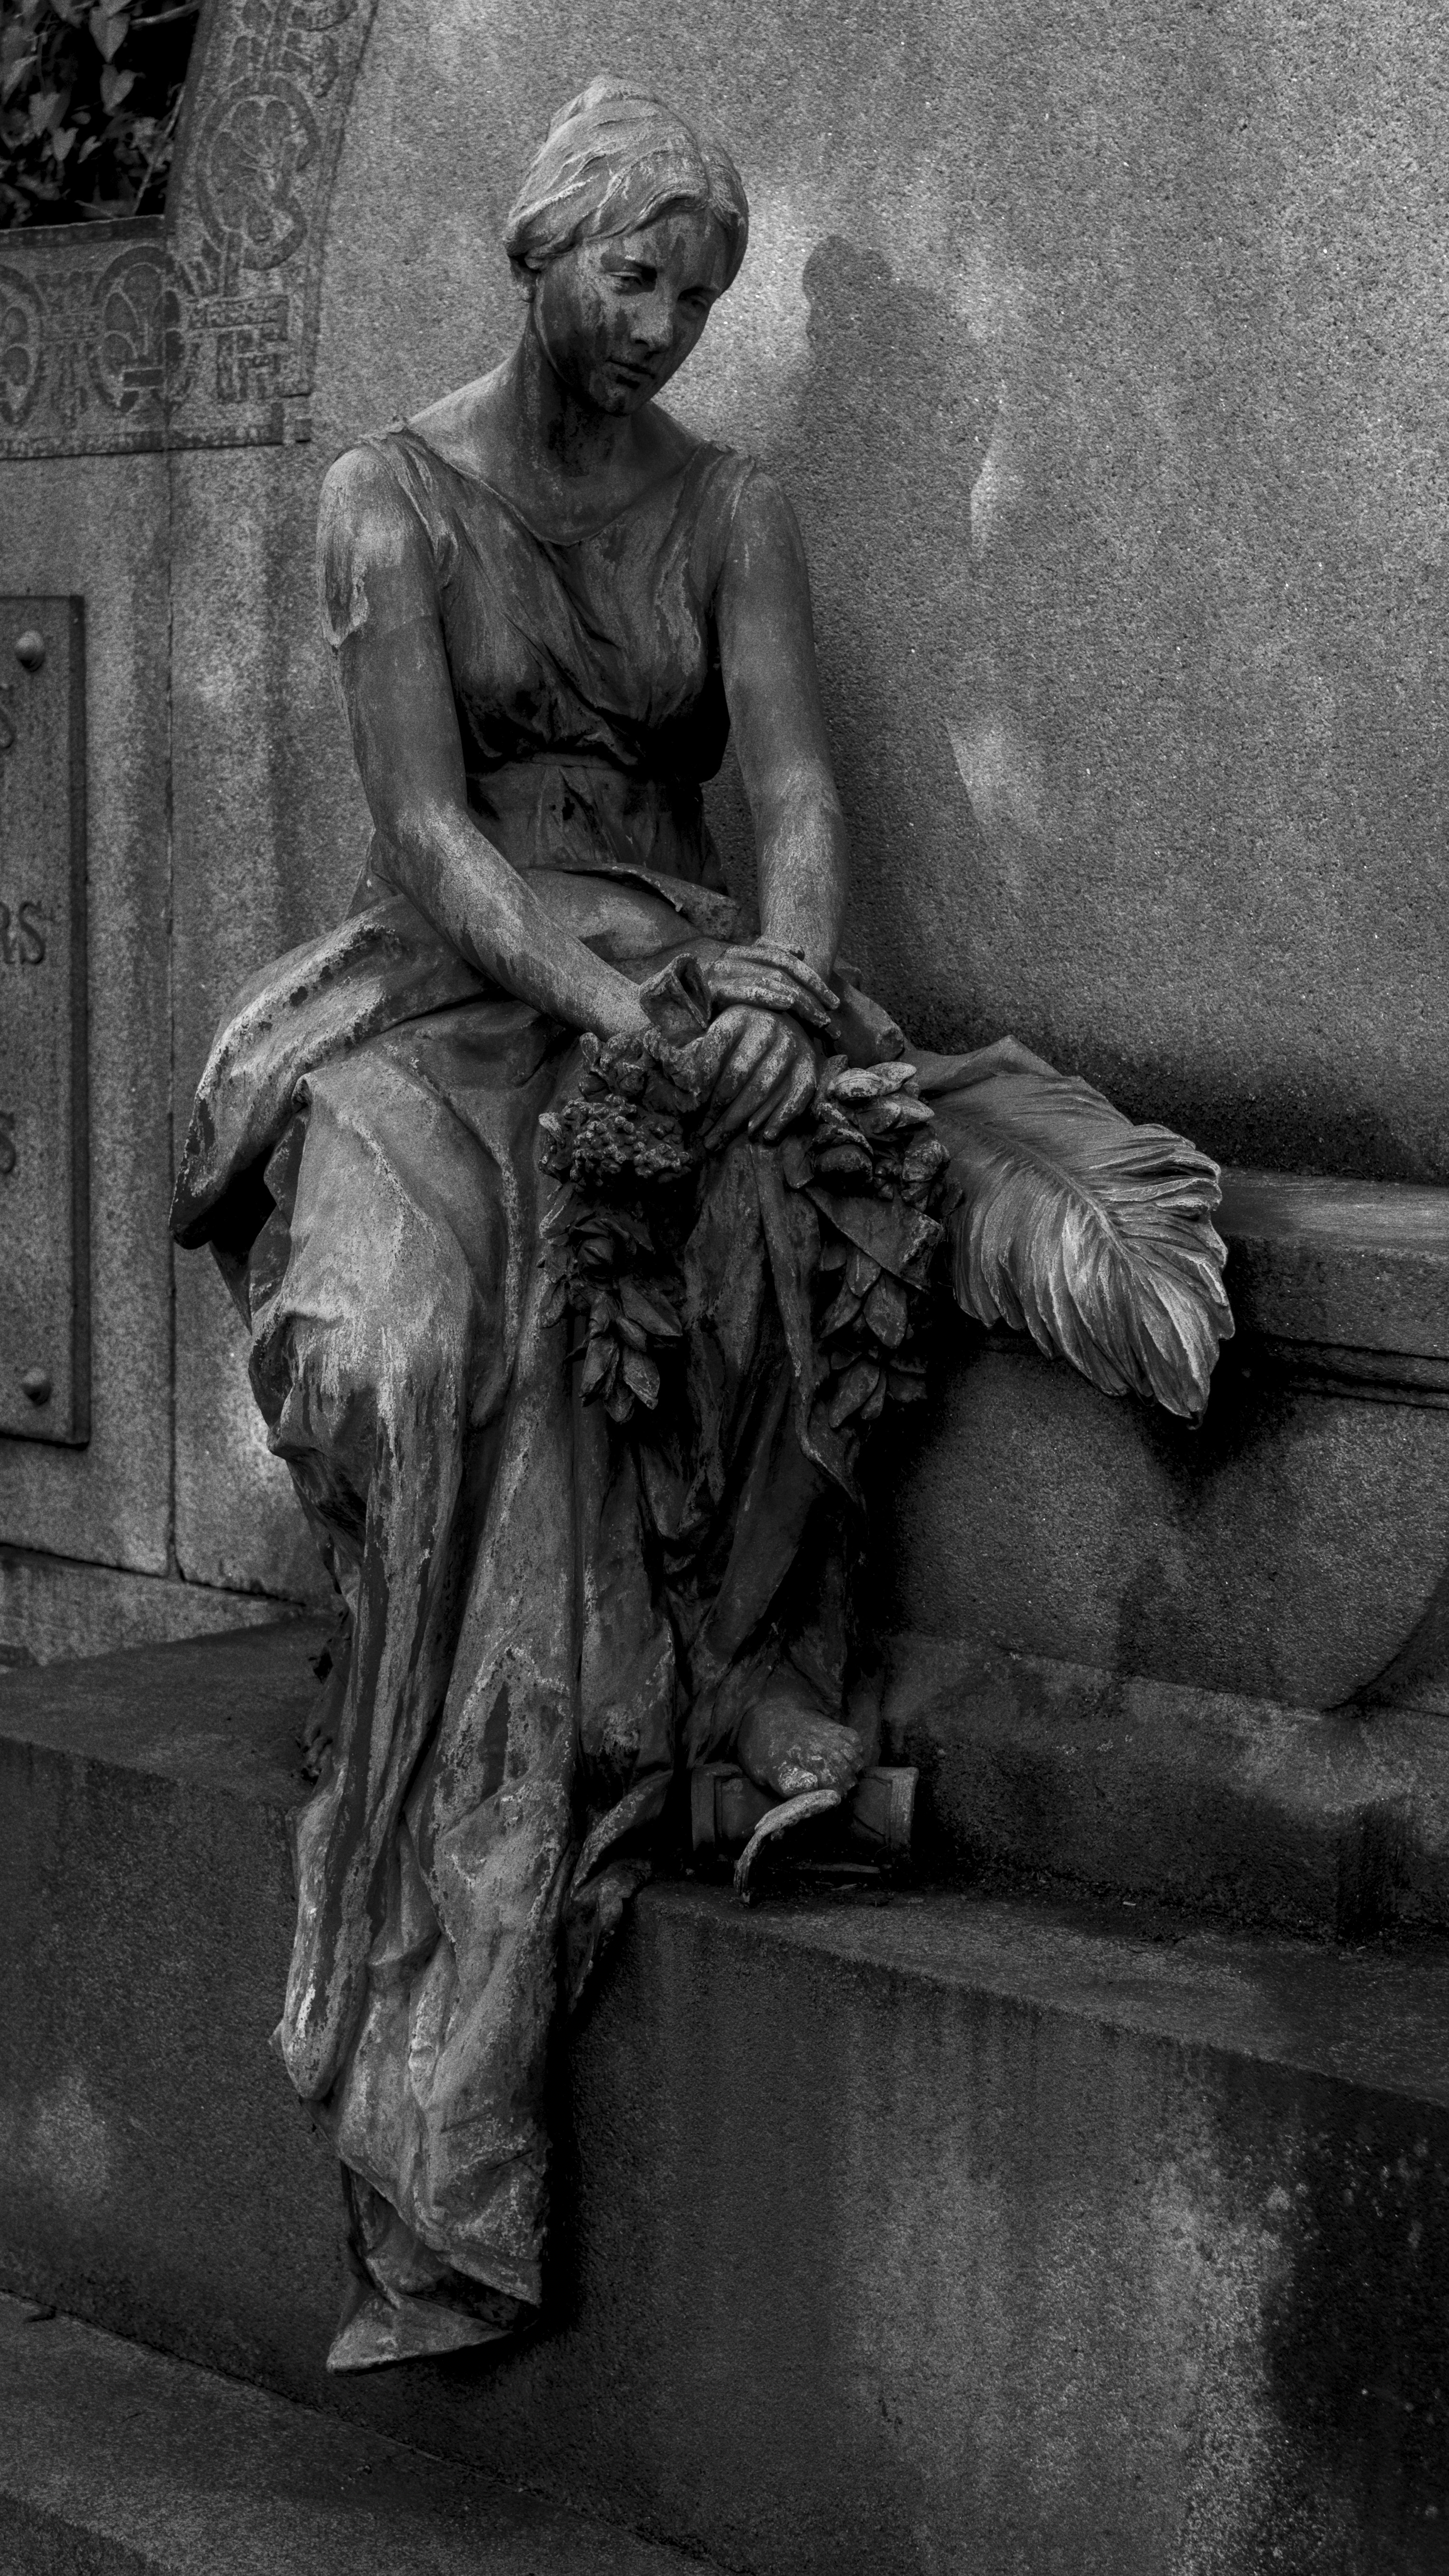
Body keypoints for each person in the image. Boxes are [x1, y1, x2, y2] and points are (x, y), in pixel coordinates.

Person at [172, 75, 914, 2371]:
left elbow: (789, 788)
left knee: (786, 1205)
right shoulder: (384, 499)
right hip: (457, 988)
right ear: (541, 248)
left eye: (701, 291)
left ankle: (658, 1728)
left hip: (684, 972)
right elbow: (422, 834)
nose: (675, 323)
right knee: (408, 1337)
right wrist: (614, 1011)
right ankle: (427, 1854)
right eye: (639, 276)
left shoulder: (732, 510)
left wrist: (774, 985)